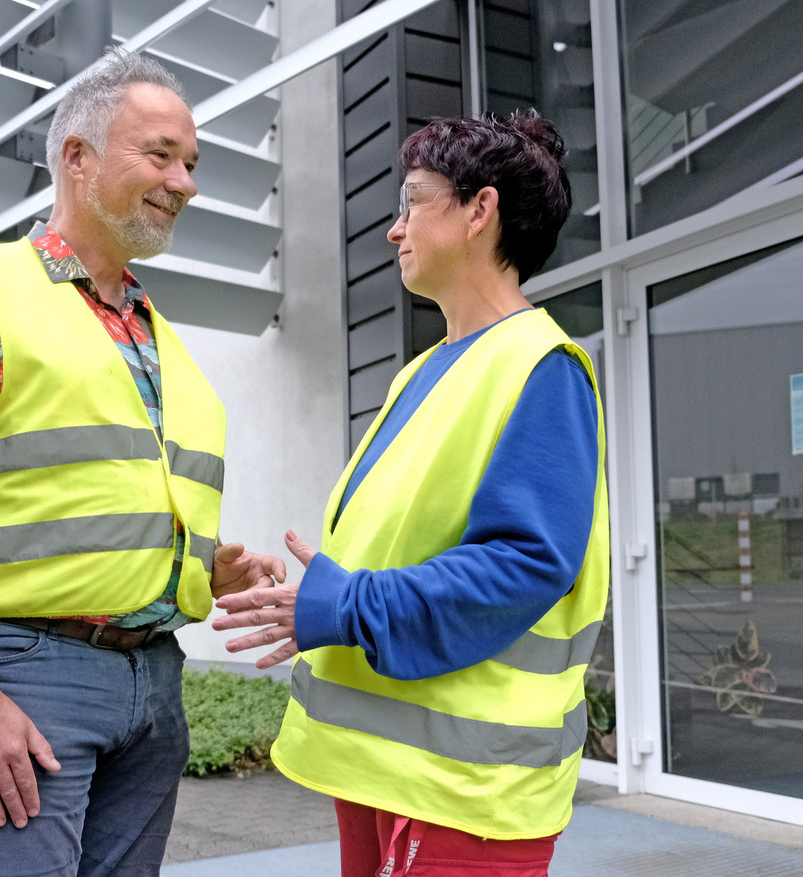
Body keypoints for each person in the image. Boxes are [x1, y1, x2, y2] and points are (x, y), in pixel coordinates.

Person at [0, 48, 284, 877]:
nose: (186, 183)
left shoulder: (152, 331)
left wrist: (201, 565)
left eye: (190, 163)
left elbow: (92, 492)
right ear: (77, 157)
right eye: (160, 155)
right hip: (27, 675)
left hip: (154, 681)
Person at [214, 110, 609, 877]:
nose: (394, 230)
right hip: (390, 770)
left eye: (412, 201)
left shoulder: (540, 365)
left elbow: (524, 564)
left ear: (479, 211)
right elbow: (400, 544)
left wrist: (340, 606)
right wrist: (312, 594)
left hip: (467, 786)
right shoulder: (424, 371)